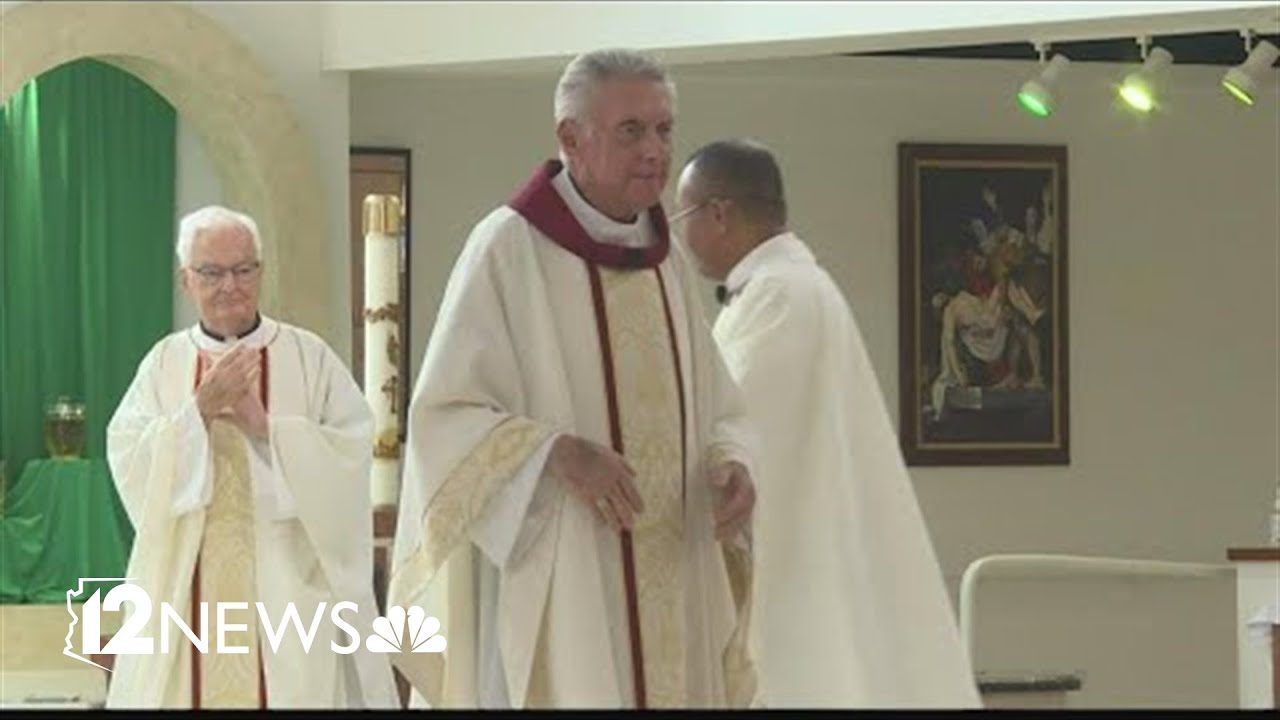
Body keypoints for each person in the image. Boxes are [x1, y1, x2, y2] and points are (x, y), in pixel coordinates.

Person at [386, 49, 758, 710]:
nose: (655, 150)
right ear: (569, 137)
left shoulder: (663, 261)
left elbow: (717, 404)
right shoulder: (509, 248)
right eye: (631, 131)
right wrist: (552, 453)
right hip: (565, 574)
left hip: (676, 556)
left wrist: (731, 463)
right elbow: (444, 413)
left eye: (665, 129)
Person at [672, 139, 981, 708]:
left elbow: (725, 430)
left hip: (797, 576)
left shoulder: (780, 297)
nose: (677, 235)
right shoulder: (788, 288)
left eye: (680, 216)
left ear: (718, 214)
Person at [105, 205, 398, 709]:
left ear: (261, 272)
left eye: (243, 270)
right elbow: (128, 455)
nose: (229, 286)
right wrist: (198, 412)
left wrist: (269, 431)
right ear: (185, 280)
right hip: (188, 587)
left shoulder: (309, 357)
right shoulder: (164, 363)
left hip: (289, 585)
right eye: (211, 273)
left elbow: (351, 449)